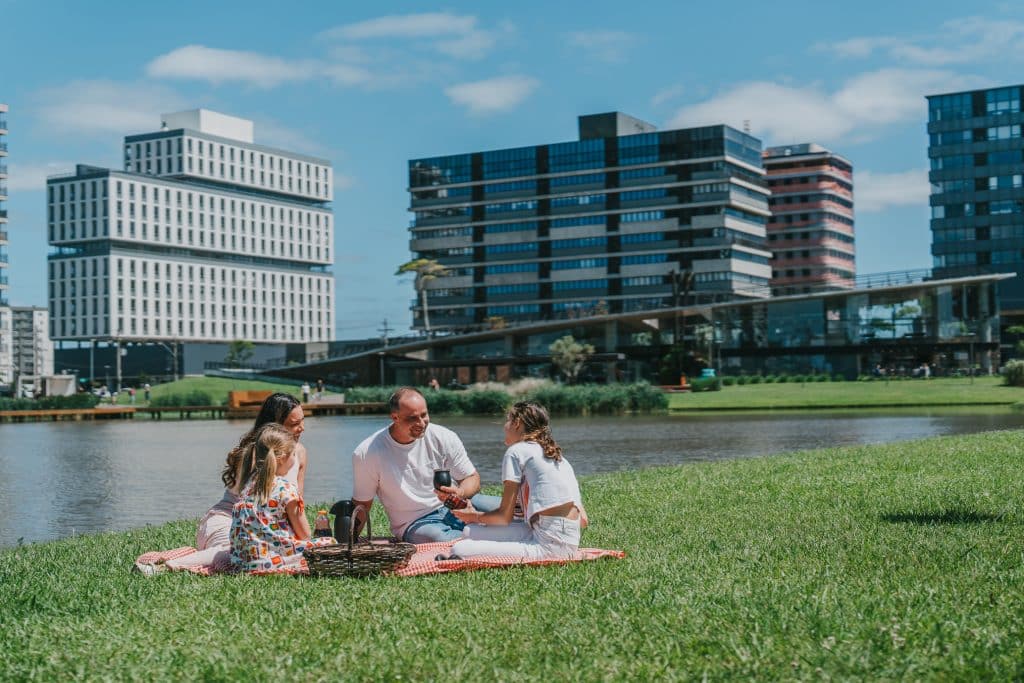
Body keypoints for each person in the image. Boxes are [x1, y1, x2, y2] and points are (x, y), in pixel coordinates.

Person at [352, 387, 500, 543]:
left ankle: (489, 536)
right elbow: (362, 504)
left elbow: (472, 478)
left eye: (424, 415)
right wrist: (345, 543)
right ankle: (490, 538)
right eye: (412, 418)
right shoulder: (367, 452)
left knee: (511, 512)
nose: (421, 423)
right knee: (440, 539)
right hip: (414, 522)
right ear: (394, 417)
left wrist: (460, 492)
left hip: (455, 506)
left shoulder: (444, 436)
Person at [446, 401, 587, 561]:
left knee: (460, 548)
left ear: (517, 423)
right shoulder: (557, 457)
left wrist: (474, 516)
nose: (504, 426)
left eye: (507, 420)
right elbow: (583, 520)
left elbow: (504, 517)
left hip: (551, 546)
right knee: (469, 532)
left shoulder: (516, 452)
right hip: (559, 535)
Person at [194, 392, 308, 551]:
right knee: (235, 555)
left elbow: (298, 506)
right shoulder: (256, 453)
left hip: (264, 529)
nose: (302, 428)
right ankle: (166, 564)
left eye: (303, 420)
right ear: (274, 426)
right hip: (231, 521)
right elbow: (256, 510)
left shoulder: (300, 452)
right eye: (294, 423)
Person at [229, 423, 334, 572]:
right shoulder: (286, 489)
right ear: (282, 458)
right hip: (274, 561)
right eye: (293, 455)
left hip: (243, 563)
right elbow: (304, 535)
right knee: (330, 543)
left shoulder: (246, 488)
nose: (294, 459)